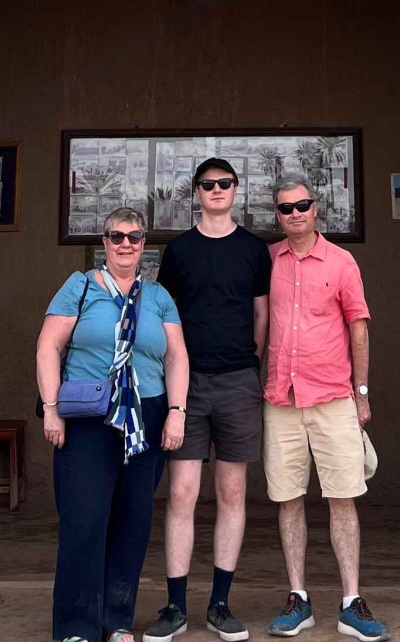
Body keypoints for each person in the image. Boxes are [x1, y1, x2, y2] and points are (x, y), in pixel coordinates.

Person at [36, 207, 190, 642]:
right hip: (88, 417)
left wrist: (177, 411)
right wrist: (51, 408)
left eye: (134, 237)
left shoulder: (158, 296)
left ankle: (116, 620)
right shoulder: (81, 286)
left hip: (147, 417)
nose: (126, 244)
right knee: (83, 520)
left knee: (132, 522)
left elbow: (176, 356)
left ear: (144, 245)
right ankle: (77, 626)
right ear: (104, 243)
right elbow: (48, 347)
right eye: (117, 236)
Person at [143, 158, 271, 642]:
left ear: (236, 189)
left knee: (232, 494)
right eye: (207, 184)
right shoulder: (179, 250)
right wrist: (174, 377)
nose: (216, 189)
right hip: (188, 385)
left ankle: (220, 604)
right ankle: (175, 606)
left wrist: (251, 365)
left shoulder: (254, 250)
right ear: (196, 192)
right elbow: (166, 316)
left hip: (238, 381)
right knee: (181, 494)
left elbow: (262, 316)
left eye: (224, 183)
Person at [261, 173, 389, 642]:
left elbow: (359, 327)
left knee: (343, 498)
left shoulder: (341, 261)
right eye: (285, 208)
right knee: (288, 500)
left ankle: (351, 602)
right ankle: (298, 599)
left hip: (334, 397)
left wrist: (362, 393)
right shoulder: (267, 260)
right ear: (277, 215)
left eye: (302, 205)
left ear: (316, 209)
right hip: (281, 398)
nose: (295, 214)